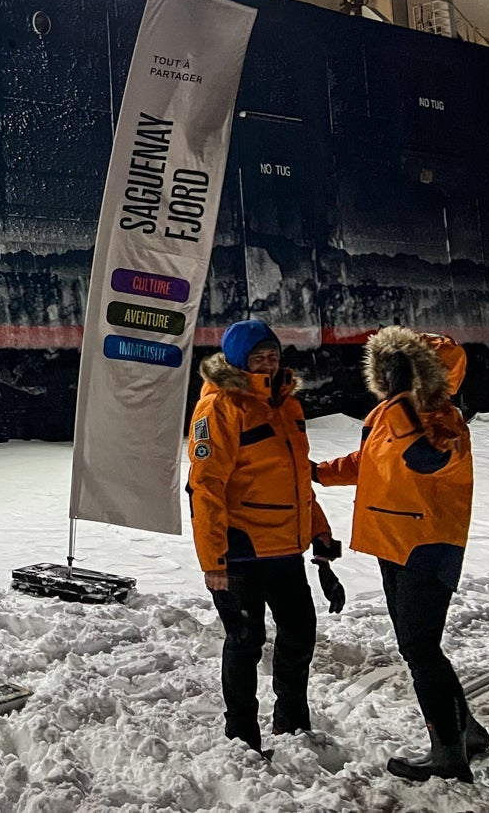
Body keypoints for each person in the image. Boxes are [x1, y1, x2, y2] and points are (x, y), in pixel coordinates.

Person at [313, 326, 487, 783]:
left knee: (419, 648)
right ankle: (466, 733)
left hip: (426, 545)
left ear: (424, 373)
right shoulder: (390, 415)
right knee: (420, 646)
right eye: (386, 365)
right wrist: (317, 473)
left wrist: (411, 415)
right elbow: (369, 461)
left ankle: (448, 753)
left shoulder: (441, 416)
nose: (389, 374)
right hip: (394, 541)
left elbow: (430, 458)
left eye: (399, 366)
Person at [188, 319, 344, 755]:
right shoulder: (220, 407)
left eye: (273, 354)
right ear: (238, 359)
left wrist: (320, 533)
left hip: (284, 549)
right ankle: (241, 735)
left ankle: (292, 721)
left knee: (300, 631)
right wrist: (213, 561)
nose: (269, 362)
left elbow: (297, 481)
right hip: (240, 550)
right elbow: (205, 488)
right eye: (258, 356)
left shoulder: (286, 405)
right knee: (245, 639)